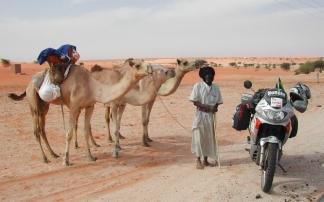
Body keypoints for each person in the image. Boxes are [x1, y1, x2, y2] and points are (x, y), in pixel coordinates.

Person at [189, 65, 223, 169]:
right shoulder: (198, 86)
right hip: (200, 115)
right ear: (203, 76)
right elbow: (195, 102)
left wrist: (214, 108)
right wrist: (208, 107)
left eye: (211, 75)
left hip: (211, 117)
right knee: (199, 137)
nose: (209, 76)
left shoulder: (216, 88)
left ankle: (205, 160)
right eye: (207, 75)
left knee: (209, 137)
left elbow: (218, 101)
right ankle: (198, 160)